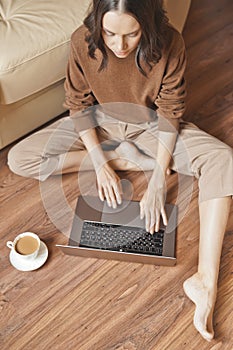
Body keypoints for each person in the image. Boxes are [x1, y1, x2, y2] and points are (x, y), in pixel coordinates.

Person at [7, 0, 232, 341]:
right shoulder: (82, 41)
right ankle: (125, 158)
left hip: (153, 126)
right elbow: (79, 104)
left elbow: (171, 110)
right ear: (98, 21)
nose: (119, 45)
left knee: (223, 160)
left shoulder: (170, 42)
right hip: (101, 124)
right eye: (110, 33)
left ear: (148, 25)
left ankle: (204, 281)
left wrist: (158, 178)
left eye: (131, 35)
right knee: (20, 158)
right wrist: (100, 162)